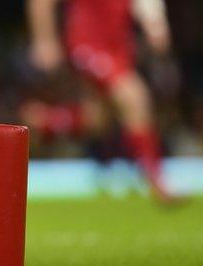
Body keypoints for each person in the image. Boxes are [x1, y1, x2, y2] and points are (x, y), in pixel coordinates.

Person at [27, 0, 174, 201]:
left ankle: (46, 122)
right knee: (134, 97)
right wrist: (45, 40)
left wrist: (155, 24)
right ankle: (156, 180)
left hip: (119, 47)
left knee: (98, 120)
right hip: (88, 43)